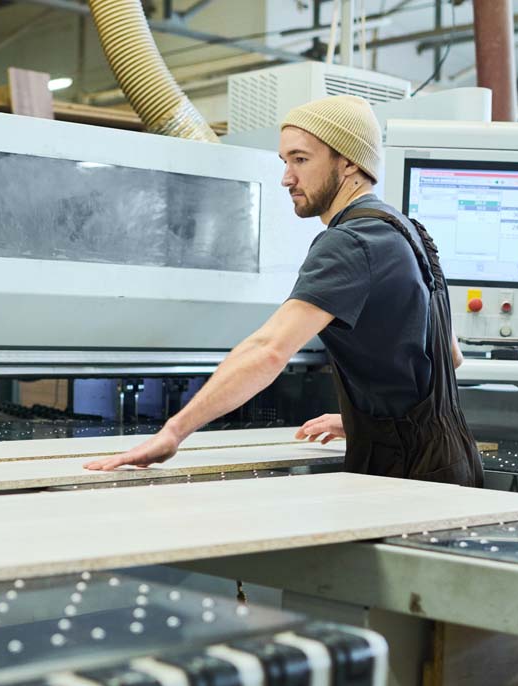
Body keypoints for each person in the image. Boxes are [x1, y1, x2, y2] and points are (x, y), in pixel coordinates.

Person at [83, 95, 483, 487]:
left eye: (301, 159)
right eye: (285, 161)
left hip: (408, 475)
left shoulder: (350, 241)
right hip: (450, 460)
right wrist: (365, 422)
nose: (286, 177)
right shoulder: (407, 230)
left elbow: (269, 350)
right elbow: (451, 356)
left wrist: (172, 433)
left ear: (347, 163)